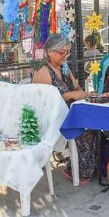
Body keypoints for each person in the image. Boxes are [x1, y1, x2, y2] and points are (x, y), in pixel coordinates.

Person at [32, 34, 97, 183]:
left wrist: (82, 94)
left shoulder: (64, 68)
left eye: (67, 52)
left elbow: (76, 86)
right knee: (85, 131)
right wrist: (72, 95)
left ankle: (88, 168)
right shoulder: (43, 70)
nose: (65, 56)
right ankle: (76, 170)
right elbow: (46, 103)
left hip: (68, 113)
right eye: (62, 53)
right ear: (50, 52)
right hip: (52, 118)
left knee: (94, 125)